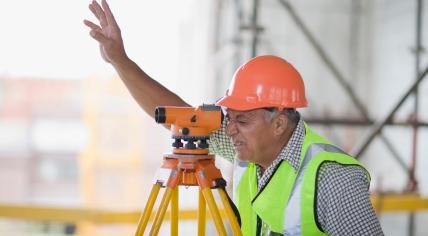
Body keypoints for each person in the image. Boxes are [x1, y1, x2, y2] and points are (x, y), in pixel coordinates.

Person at [84, 0, 384, 235]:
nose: (229, 130)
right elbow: (180, 118)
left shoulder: (332, 178)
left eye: (241, 121)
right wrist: (120, 61)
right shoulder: (247, 151)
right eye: (229, 118)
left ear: (279, 123)